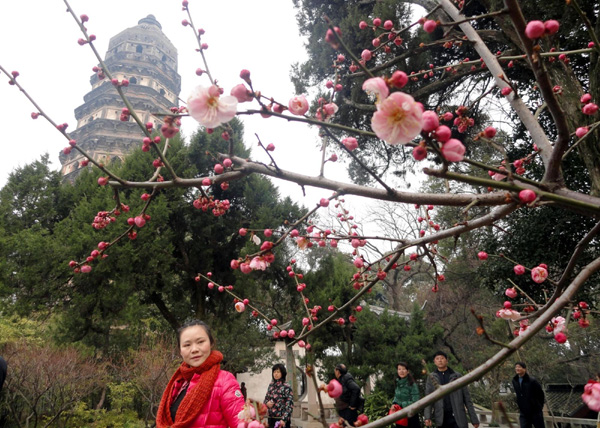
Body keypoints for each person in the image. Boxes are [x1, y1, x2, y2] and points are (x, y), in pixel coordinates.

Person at [156, 320, 245, 428]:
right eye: (187, 345)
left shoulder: (225, 381)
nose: (194, 349)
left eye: (200, 342)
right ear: (180, 350)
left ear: (211, 343)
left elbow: (241, 422)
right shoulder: (179, 382)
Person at [424, 351, 479, 428]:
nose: (440, 360)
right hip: (441, 417)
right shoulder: (431, 378)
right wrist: (427, 417)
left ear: (447, 360)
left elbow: (467, 399)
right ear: (434, 362)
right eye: (437, 359)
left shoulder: (457, 376)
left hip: (457, 416)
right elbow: (428, 399)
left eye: (442, 358)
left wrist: (474, 419)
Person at [512, 362, 545, 428]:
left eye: (519, 367)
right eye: (516, 367)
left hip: (535, 411)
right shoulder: (514, 381)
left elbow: (541, 394)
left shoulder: (532, 381)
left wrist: (539, 406)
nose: (517, 368)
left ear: (524, 369)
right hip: (523, 411)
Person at [264, 363, 294, 428]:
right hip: (271, 419)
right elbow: (266, 399)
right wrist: (267, 403)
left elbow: (289, 405)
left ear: (282, 373)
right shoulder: (271, 385)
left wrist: (284, 419)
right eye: (274, 372)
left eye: (278, 372)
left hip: (282, 420)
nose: (276, 374)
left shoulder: (286, 386)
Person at [392, 362, 421, 428]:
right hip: (400, 414)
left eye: (403, 369)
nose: (401, 371)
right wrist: (394, 403)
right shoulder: (397, 382)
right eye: (399, 369)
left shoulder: (412, 384)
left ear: (407, 371)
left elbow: (416, 401)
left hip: (411, 414)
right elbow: (396, 396)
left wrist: (402, 404)